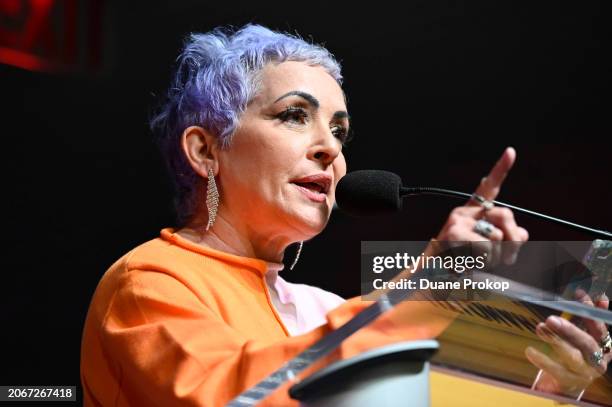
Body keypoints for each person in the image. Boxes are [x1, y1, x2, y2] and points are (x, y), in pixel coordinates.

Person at [80, 24, 610, 406]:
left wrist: (561, 388)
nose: (329, 150)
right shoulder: (148, 283)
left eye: (339, 131)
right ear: (205, 151)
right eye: (293, 116)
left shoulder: (324, 308)